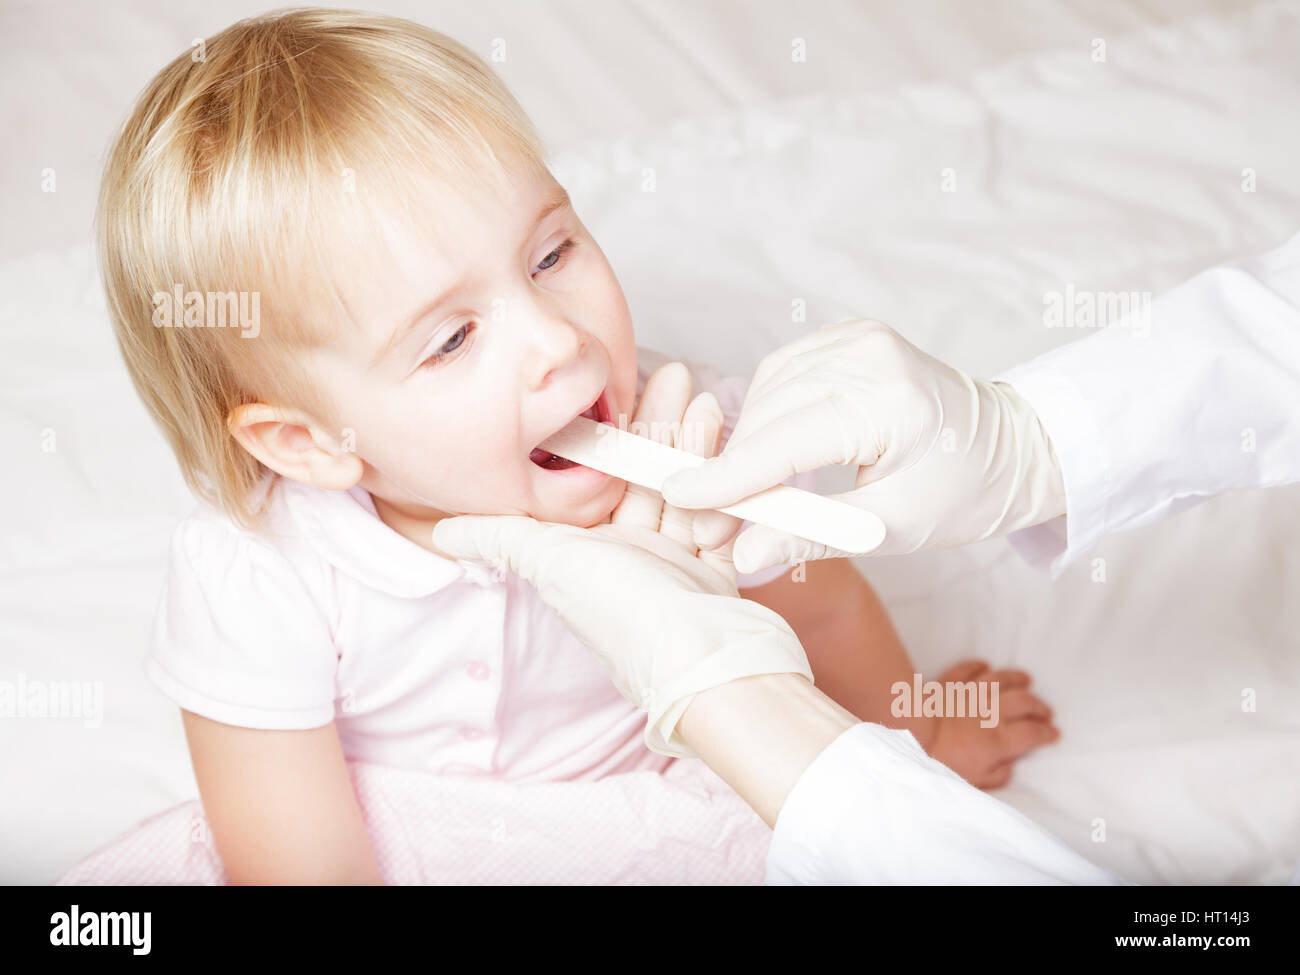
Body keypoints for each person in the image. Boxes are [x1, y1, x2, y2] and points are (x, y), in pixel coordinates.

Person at [435, 233, 1299, 883]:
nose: (557, 341)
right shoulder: (306, 573)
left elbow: (828, 604)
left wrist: (909, 729)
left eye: (552, 254)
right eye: (449, 339)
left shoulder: (697, 433)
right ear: (311, 443)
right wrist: (1038, 439)